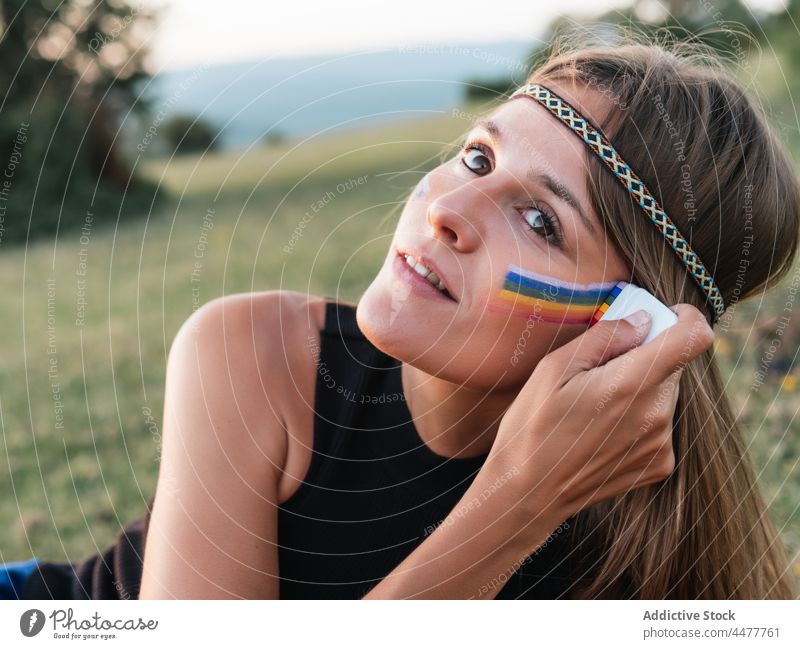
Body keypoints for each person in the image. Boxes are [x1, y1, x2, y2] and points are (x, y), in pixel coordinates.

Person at [8, 33, 799, 599]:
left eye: (541, 221)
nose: (449, 207)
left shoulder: (632, 544)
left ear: (634, 325)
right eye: (479, 157)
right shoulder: (256, 353)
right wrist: (512, 508)